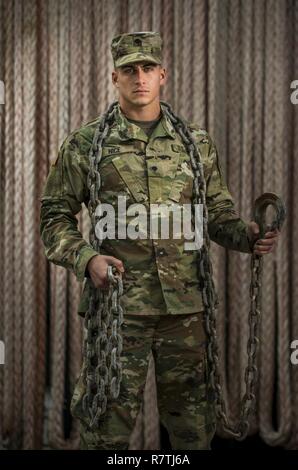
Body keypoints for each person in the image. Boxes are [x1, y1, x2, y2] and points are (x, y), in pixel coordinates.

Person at [40, 31, 280, 450]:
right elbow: (54, 218)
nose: (140, 78)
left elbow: (217, 215)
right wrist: (86, 258)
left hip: (186, 312)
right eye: (130, 69)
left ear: (163, 74)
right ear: (114, 77)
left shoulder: (196, 144)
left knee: (192, 432)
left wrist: (248, 235)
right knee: (105, 432)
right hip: (117, 311)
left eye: (148, 68)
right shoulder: (85, 145)